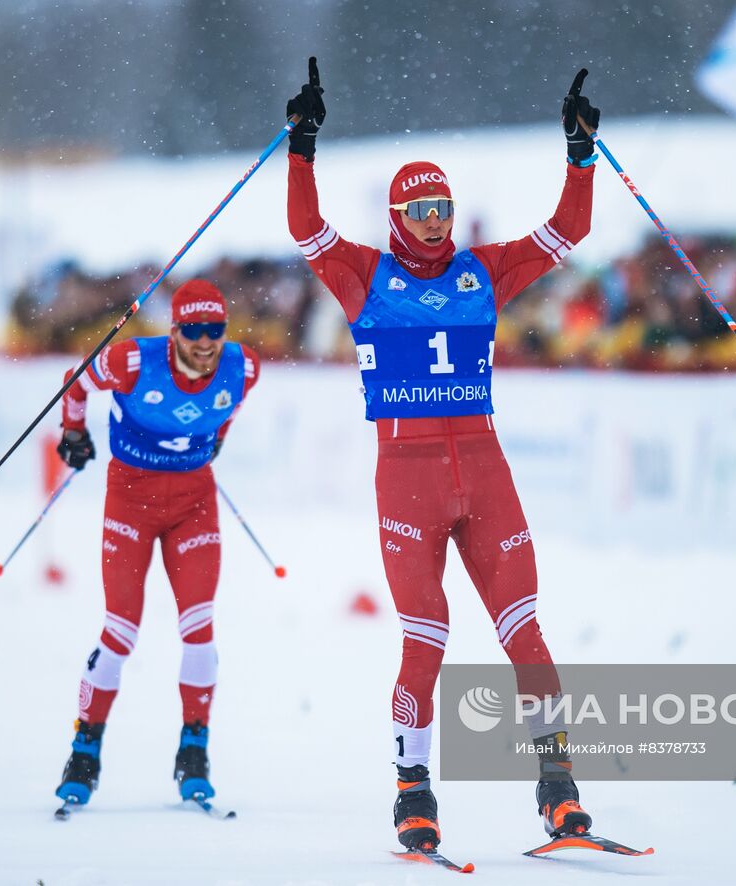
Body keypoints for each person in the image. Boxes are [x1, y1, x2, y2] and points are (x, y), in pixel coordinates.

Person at [284, 59, 599, 850]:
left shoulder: (482, 272)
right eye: (419, 208)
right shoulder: (364, 274)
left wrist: (580, 155)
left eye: (443, 206)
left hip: (486, 475)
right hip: (408, 484)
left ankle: (559, 788)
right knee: (426, 639)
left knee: (525, 631)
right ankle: (413, 794)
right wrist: (302, 147)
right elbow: (303, 228)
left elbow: (569, 231)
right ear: (397, 215)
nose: (434, 219)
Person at [52, 279, 260, 812]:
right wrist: (73, 434)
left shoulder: (245, 369)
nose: (205, 341)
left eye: (215, 330)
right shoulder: (130, 362)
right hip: (131, 502)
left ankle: (194, 749)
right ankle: (85, 748)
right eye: (193, 330)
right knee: (121, 630)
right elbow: (75, 383)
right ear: (174, 332)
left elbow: (228, 408)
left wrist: (216, 442)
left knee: (199, 625)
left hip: (194, 505)